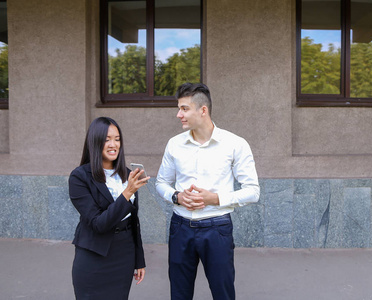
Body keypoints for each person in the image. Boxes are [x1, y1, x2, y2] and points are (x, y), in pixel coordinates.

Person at [156, 83, 260, 300]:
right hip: (180, 228)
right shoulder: (174, 144)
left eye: (184, 109)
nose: (178, 115)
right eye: (179, 108)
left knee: (223, 293)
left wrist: (215, 198)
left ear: (202, 110)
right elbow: (161, 183)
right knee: (179, 293)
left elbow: (252, 191)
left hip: (217, 228)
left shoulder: (235, 144)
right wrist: (177, 197)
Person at [69, 117, 149, 299]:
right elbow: (99, 223)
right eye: (107, 139)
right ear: (95, 142)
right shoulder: (79, 177)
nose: (113, 144)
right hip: (93, 257)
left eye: (117, 139)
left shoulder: (128, 175)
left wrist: (139, 260)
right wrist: (127, 193)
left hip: (124, 257)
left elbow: (133, 221)